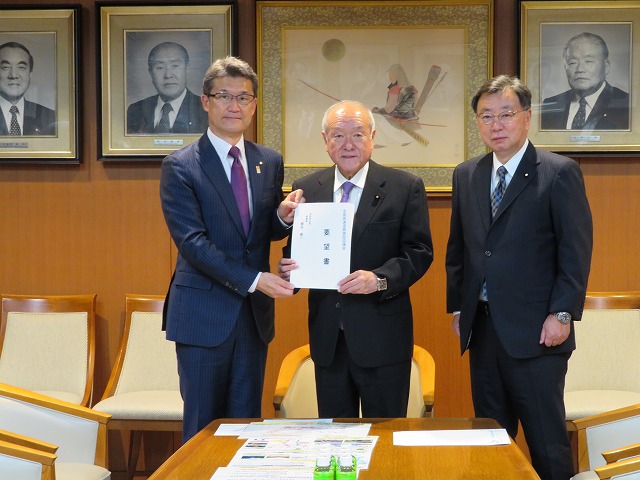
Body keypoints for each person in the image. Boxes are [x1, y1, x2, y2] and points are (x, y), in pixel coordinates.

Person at [446, 75, 592, 480]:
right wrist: (458, 307)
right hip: (483, 329)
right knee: (492, 441)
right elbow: (459, 249)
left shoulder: (558, 172)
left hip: (539, 333)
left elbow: (575, 251)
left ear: (527, 117)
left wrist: (562, 314)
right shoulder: (467, 174)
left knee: (546, 442)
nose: (496, 125)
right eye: (486, 116)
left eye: (506, 114)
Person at [160, 56, 302, 442]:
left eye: (243, 97)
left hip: (253, 319)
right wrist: (255, 279)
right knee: (203, 428)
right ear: (205, 102)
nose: (234, 106)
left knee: (245, 428)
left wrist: (282, 218)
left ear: (254, 105)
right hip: (203, 315)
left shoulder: (268, 161)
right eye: (224, 96)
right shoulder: (181, 166)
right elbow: (192, 243)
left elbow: (257, 232)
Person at [279, 100, 433, 418]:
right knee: (335, 436)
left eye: (358, 135)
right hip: (328, 341)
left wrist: (378, 279)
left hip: (383, 339)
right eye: (338, 136)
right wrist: (289, 270)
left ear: (372, 137)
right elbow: (297, 251)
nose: (348, 145)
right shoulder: (306, 189)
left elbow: (419, 253)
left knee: (386, 436)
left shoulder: (404, 187)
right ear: (325, 141)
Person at [541, 32, 629, 130]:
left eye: (588, 61)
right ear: (565, 67)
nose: (580, 69)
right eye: (573, 62)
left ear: (606, 67)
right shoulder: (551, 105)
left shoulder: (626, 104)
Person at [127, 41, 208, 134]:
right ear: (150, 73)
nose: (168, 75)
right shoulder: (136, 110)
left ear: (187, 69)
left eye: (175, 66)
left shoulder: (205, 109)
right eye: (160, 67)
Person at [0, 42, 56, 136]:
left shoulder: (51, 117)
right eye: (5, 67)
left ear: (30, 74)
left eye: (21, 67)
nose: (13, 75)